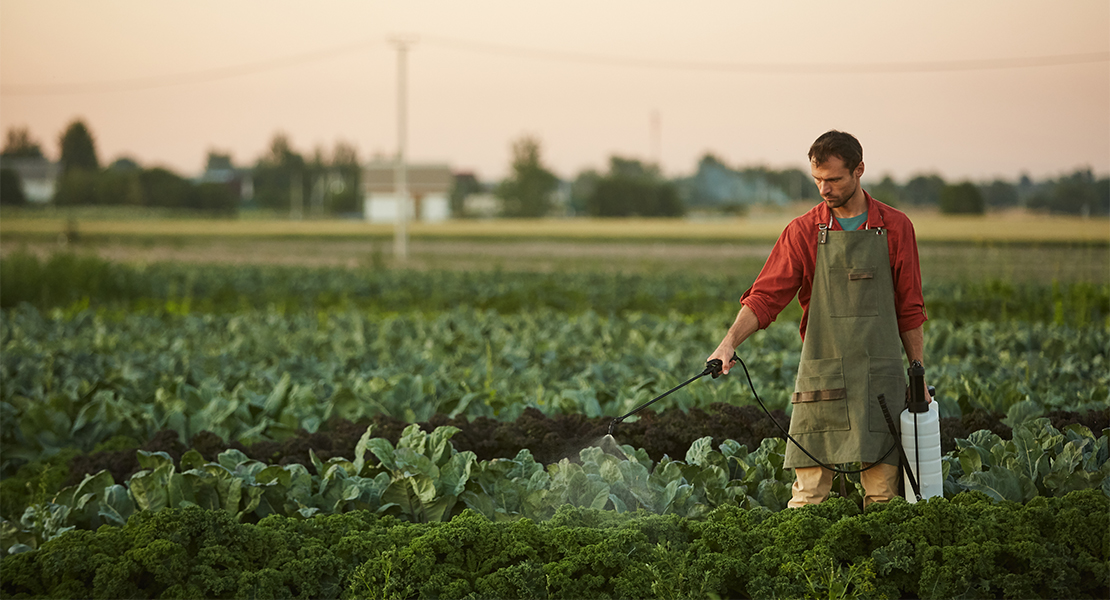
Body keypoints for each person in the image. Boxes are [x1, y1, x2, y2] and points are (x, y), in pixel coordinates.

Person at [707, 130, 928, 509]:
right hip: (822, 374)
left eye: (834, 179)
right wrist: (728, 345)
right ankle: (801, 565)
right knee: (807, 496)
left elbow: (910, 309)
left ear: (859, 170)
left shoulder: (895, 227)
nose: (824, 189)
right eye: (817, 180)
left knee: (882, 495)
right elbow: (764, 298)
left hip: (881, 376)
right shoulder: (802, 231)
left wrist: (918, 374)